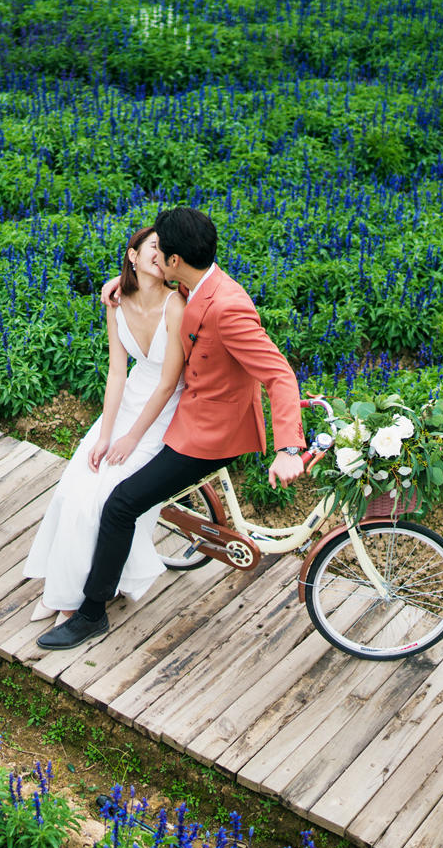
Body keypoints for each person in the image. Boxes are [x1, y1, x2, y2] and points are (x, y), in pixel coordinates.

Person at [36, 207, 305, 650]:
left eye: (161, 251)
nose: (157, 256)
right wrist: (122, 281)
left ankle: (91, 613)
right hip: (186, 412)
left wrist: (289, 449)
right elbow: (157, 291)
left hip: (212, 433)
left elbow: (279, 374)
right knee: (116, 492)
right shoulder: (196, 281)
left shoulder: (228, 307)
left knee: (120, 504)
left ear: (175, 261)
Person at [23, 226, 186, 624]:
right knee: (73, 488)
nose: (160, 252)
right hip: (130, 400)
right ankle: (58, 586)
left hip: (164, 411)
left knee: (101, 500)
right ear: (133, 255)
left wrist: (130, 438)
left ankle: (73, 598)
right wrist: (106, 434)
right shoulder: (116, 302)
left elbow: (168, 384)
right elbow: (117, 372)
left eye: (165, 248)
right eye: (152, 246)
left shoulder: (176, 305)